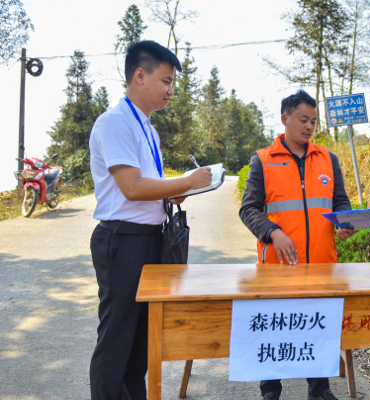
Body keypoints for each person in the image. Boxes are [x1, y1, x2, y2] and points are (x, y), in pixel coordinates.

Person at [88, 40, 212, 400]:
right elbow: (131, 187)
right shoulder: (115, 122)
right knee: (116, 340)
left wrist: (173, 192)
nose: (171, 91)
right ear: (140, 76)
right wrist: (186, 181)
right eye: (166, 81)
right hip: (122, 240)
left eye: (172, 83)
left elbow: (149, 185)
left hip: (149, 239)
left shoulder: (148, 128)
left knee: (140, 343)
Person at [239, 89, 355, 400]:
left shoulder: (328, 159)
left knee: (317, 326)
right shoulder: (263, 160)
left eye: (313, 121)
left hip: (321, 264)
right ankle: (270, 391)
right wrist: (273, 232)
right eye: (303, 119)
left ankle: (320, 390)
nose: (309, 126)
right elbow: (248, 209)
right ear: (285, 119)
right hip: (278, 266)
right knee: (275, 328)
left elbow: (340, 201)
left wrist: (344, 221)